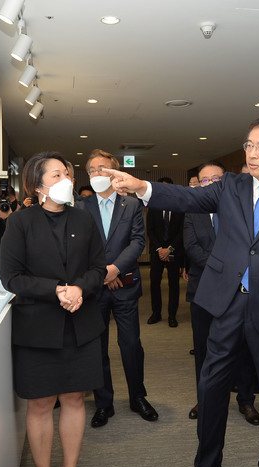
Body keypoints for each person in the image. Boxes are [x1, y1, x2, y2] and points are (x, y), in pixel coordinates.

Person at [104, 115, 259, 467]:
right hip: (226, 305)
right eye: (249, 145)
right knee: (210, 388)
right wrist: (142, 186)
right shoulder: (231, 186)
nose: (252, 154)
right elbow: (187, 197)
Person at [0, 151, 106, 467]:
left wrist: (79, 289)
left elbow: (98, 267)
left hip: (80, 324)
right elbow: (11, 277)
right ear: (38, 184)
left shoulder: (84, 219)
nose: (66, 181)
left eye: (68, 175)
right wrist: (56, 290)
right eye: (57, 175)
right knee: (41, 402)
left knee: (74, 399)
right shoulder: (20, 222)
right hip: (38, 328)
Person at [78, 149, 158, 428]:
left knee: (131, 345)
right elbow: (80, 247)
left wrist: (114, 269)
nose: (97, 173)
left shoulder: (132, 204)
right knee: (97, 347)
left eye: (102, 168)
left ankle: (138, 397)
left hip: (125, 285)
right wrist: (104, 271)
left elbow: (138, 242)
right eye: (91, 170)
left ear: (114, 171)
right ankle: (103, 403)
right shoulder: (80, 207)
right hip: (94, 289)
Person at [184, 160, 259, 425]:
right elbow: (191, 248)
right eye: (205, 180)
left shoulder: (243, 210)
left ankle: (246, 400)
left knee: (243, 347)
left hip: (240, 292)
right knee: (204, 348)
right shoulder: (193, 211)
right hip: (203, 289)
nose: (212, 184)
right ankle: (204, 398)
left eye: (217, 179)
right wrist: (224, 268)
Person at [146, 177, 185, 327]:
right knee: (154, 283)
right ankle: (156, 313)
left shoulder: (179, 207)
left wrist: (170, 250)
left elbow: (182, 232)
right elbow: (150, 230)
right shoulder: (153, 207)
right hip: (157, 251)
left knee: (174, 284)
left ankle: (172, 316)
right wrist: (160, 250)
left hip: (174, 251)